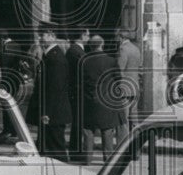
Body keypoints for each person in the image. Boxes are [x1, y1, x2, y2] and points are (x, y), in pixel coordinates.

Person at [26, 24, 71, 160]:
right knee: (45, 151)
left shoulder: (55, 58)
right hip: (49, 114)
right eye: (39, 34)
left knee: (56, 151)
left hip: (52, 115)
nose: (39, 38)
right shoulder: (50, 55)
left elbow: (55, 89)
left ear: (52, 36)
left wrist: (47, 113)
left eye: (42, 35)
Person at [81, 35, 121, 162]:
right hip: (106, 101)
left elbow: (79, 81)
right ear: (102, 45)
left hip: (89, 101)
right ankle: (108, 159)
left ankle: (87, 159)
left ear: (91, 46)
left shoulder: (84, 61)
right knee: (107, 131)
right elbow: (118, 79)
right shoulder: (111, 61)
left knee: (88, 131)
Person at [66, 29, 90, 161]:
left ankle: (76, 150)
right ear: (82, 35)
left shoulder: (75, 50)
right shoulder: (76, 52)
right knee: (78, 122)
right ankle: (76, 151)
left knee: (78, 122)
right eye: (87, 34)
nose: (89, 37)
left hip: (77, 91)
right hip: (78, 91)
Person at [115, 28, 142, 144]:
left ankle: (122, 148)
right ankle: (136, 147)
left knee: (123, 120)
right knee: (134, 119)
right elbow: (140, 69)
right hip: (135, 87)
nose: (116, 39)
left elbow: (119, 69)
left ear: (121, 37)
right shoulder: (136, 49)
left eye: (117, 37)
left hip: (124, 89)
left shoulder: (123, 50)